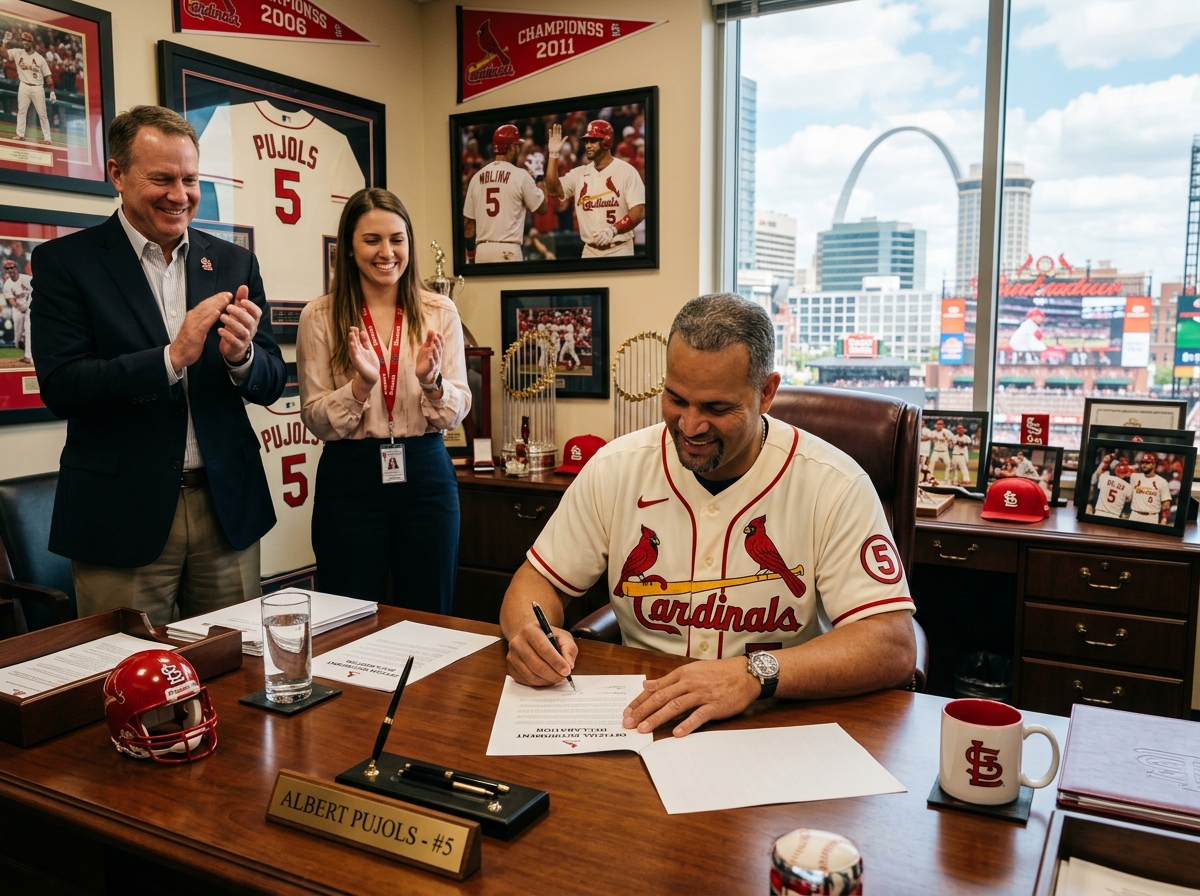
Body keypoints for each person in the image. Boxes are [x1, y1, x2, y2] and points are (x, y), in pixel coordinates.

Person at [499, 293, 916, 737]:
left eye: (717, 409)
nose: (691, 426)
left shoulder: (833, 481)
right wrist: (529, 633)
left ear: (767, 392)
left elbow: (890, 642)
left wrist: (753, 674)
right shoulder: (616, 466)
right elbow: (535, 580)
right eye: (677, 399)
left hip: (776, 721)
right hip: (644, 719)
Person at [31, 105, 287, 625]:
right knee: (123, 676)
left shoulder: (233, 261)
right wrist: (170, 358)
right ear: (118, 175)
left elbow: (272, 379)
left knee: (235, 667)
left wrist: (242, 359)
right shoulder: (67, 264)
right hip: (120, 514)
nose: (179, 194)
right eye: (162, 178)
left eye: (190, 179)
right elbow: (63, 386)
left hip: (225, 508)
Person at [297, 188, 470, 613]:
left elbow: (457, 406)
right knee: (347, 615)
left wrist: (432, 382)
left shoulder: (439, 311)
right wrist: (360, 387)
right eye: (371, 240)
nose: (386, 252)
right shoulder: (319, 316)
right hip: (350, 477)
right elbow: (315, 418)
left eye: (397, 239)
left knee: (431, 614)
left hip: (426, 472)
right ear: (349, 247)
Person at [544, 120, 645, 258]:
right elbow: (553, 189)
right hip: (589, 250)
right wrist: (553, 155)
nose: (588, 145)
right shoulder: (579, 173)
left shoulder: (626, 171)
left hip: (619, 249)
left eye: (593, 140)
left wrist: (614, 230)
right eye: (586, 141)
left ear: (606, 141)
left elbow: (639, 211)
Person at [462, 124, 546, 263]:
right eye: (517, 145)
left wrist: (471, 255)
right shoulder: (520, 175)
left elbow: (468, 224)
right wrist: (539, 176)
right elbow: (542, 208)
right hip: (508, 250)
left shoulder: (477, 177)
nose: (518, 149)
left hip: (482, 251)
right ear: (512, 147)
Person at [1, 31, 55, 144]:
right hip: (24, 85)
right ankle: (20, 134)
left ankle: (47, 137)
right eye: (23, 40)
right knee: (21, 111)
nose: (24, 42)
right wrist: (5, 42)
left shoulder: (40, 58)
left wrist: (52, 91)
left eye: (27, 40)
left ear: (31, 42)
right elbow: (3, 53)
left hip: (37, 87)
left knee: (42, 114)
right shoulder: (18, 52)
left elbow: (48, 76)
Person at [1, 258, 32, 363]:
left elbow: (36, 289)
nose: (10, 270)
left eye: (12, 267)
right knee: (17, 341)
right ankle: (21, 339)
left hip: (29, 308)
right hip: (18, 309)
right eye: (8, 268)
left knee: (29, 330)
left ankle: (28, 356)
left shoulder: (27, 279)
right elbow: (11, 300)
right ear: (6, 270)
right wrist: (20, 307)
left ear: (16, 268)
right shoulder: (7, 284)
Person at [1129, 453, 1173, 525]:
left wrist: (1164, 519)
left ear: (1154, 464)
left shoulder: (1162, 482)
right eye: (1142, 462)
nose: (1144, 465)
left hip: (1151, 517)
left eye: (1147, 463)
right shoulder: (1134, 477)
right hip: (1135, 515)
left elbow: (1166, 505)